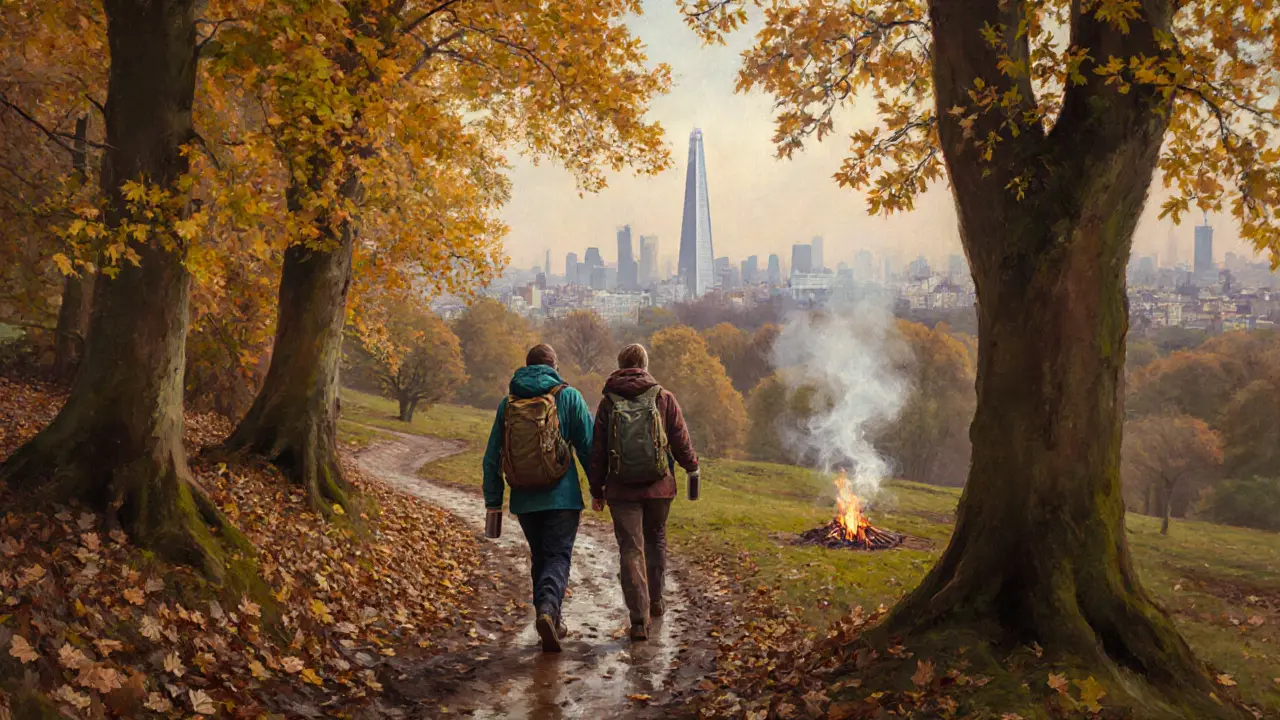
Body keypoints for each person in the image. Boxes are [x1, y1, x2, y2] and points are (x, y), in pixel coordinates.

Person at [482, 344, 593, 652]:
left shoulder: (509, 403)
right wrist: (600, 490)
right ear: (553, 367)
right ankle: (548, 610)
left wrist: (494, 502)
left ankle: (550, 619)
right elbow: (588, 448)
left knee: (541, 557)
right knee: (558, 556)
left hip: (524, 498)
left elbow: (493, 456)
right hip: (563, 497)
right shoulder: (568, 397)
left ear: (527, 366)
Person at [588, 343, 699, 641]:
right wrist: (692, 468)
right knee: (656, 538)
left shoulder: (608, 402)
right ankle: (657, 601)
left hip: (621, 490)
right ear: (645, 366)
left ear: (620, 365)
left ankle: (638, 620)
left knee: (630, 549)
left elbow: (597, 450)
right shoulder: (663, 397)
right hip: (659, 486)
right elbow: (680, 439)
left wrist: (596, 488)